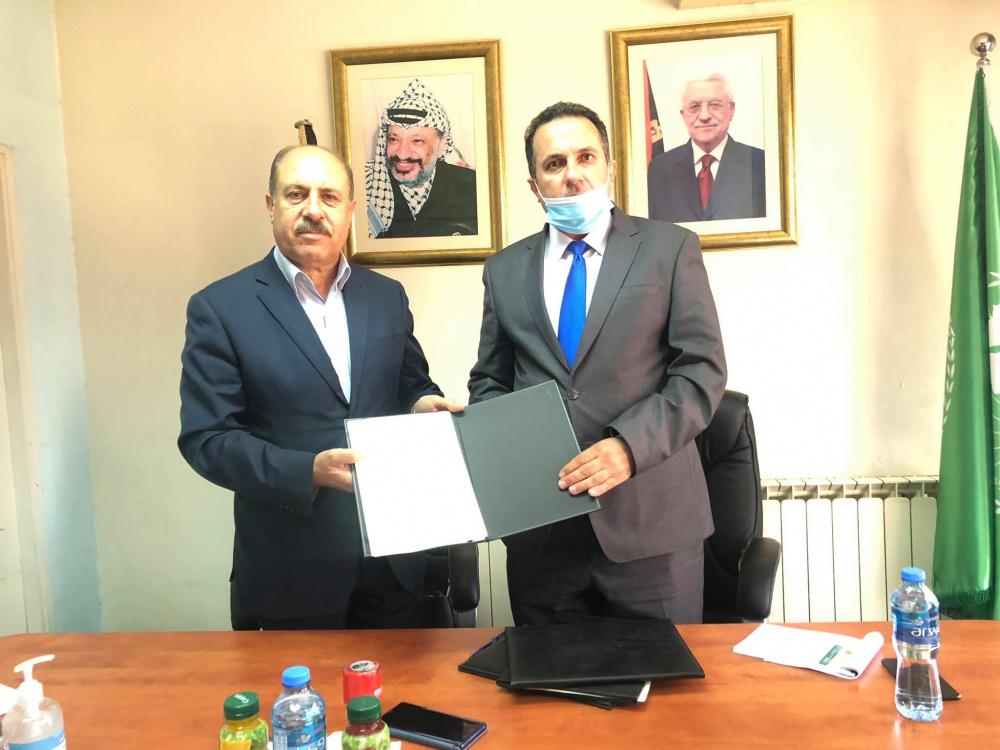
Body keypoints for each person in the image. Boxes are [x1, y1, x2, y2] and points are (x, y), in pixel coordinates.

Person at [179, 144, 462, 630]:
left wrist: (423, 403)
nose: (314, 210)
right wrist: (307, 470)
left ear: (350, 211)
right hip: (290, 572)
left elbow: (410, 383)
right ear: (271, 206)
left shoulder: (386, 296)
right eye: (296, 194)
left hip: (395, 564)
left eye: (329, 197)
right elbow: (207, 440)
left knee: (403, 682)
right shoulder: (221, 308)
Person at [468, 102, 726, 626]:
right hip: (543, 534)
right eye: (554, 163)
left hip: (651, 531)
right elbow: (491, 380)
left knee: (663, 679)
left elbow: (701, 371)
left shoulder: (669, 249)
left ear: (609, 166)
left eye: (585, 157)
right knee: (550, 679)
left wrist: (629, 447)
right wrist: (496, 434)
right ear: (534, 185)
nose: (572, 174)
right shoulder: (504, 270)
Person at [365, 78, 477, 239]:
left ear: (441, 145)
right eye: (394, 139)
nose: (402, 154)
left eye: (417, 141)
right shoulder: (368, 185)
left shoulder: (472, 187)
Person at [647, 73, 765, 223]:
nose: (704, 116)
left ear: (731, 110)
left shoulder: (760, 164)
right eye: (694, 107)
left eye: (714, 105)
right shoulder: (660, 169)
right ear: (683, 115)